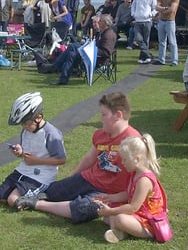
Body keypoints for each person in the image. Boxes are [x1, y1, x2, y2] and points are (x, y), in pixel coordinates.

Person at [15, 92, 141, 225]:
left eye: (104, 114)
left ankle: (37, 204)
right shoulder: (100, 134)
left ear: (118, 115)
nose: (101, 118)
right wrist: (71, 180)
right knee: (54, 190)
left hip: (109, 192)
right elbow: (89, 159)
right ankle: (41, 198)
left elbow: (145, 175)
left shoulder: (134, 141)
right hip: (88, 179)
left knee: (84, 209)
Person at [0, 92, 67, 208]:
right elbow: (27, 153)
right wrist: (20, 152)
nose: (24, 128)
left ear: (38, 118)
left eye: (26, 124)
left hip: (41, 176)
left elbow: (62, 159)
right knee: (0, 196)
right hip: (24, 170)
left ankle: (43, 196)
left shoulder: (51, 134)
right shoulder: (26, 130)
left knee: (13, 200)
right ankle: (27, 191)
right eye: (22, 125)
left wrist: (36, 161)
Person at [94, 134, 166, 244]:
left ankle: (121, 231)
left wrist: (110, 211)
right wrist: (109, 198)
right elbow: (128, 194)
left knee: (118, 217)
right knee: (111, 213)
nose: (122, 163)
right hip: (137, 215)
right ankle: (120, 231)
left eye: (124, 160)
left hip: (148, 222)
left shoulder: (144, 180)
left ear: (137, 159)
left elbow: (133, 207)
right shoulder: (134, 173)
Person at [46, 14, 116, 86]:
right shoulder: (102, 32)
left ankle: (54, 66)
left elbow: (106, 53)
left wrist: (90, 50)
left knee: (73, 46)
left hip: (97, 60)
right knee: (71, 54)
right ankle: (63, 79)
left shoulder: (108, 35)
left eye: (100, 21)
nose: (98, 23)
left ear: (105, 23)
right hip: (91, 56)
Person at [130, 0, 157, 64]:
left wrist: (150, 15)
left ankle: (143, 57)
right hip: (138, 21)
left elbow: (155, 8)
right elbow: (133, 5)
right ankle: (148, 55)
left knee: (145, 40)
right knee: (138, 39)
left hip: (147, 21)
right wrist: (133, 14)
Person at [155, 0, 179, 66]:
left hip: (170, 21)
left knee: (172, 42)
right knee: (161, 41)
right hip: (161, 21)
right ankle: (161, 60)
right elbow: (156, 7)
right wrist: (165, 9)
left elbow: (172, 9)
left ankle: (174, 61)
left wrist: (162, 10)